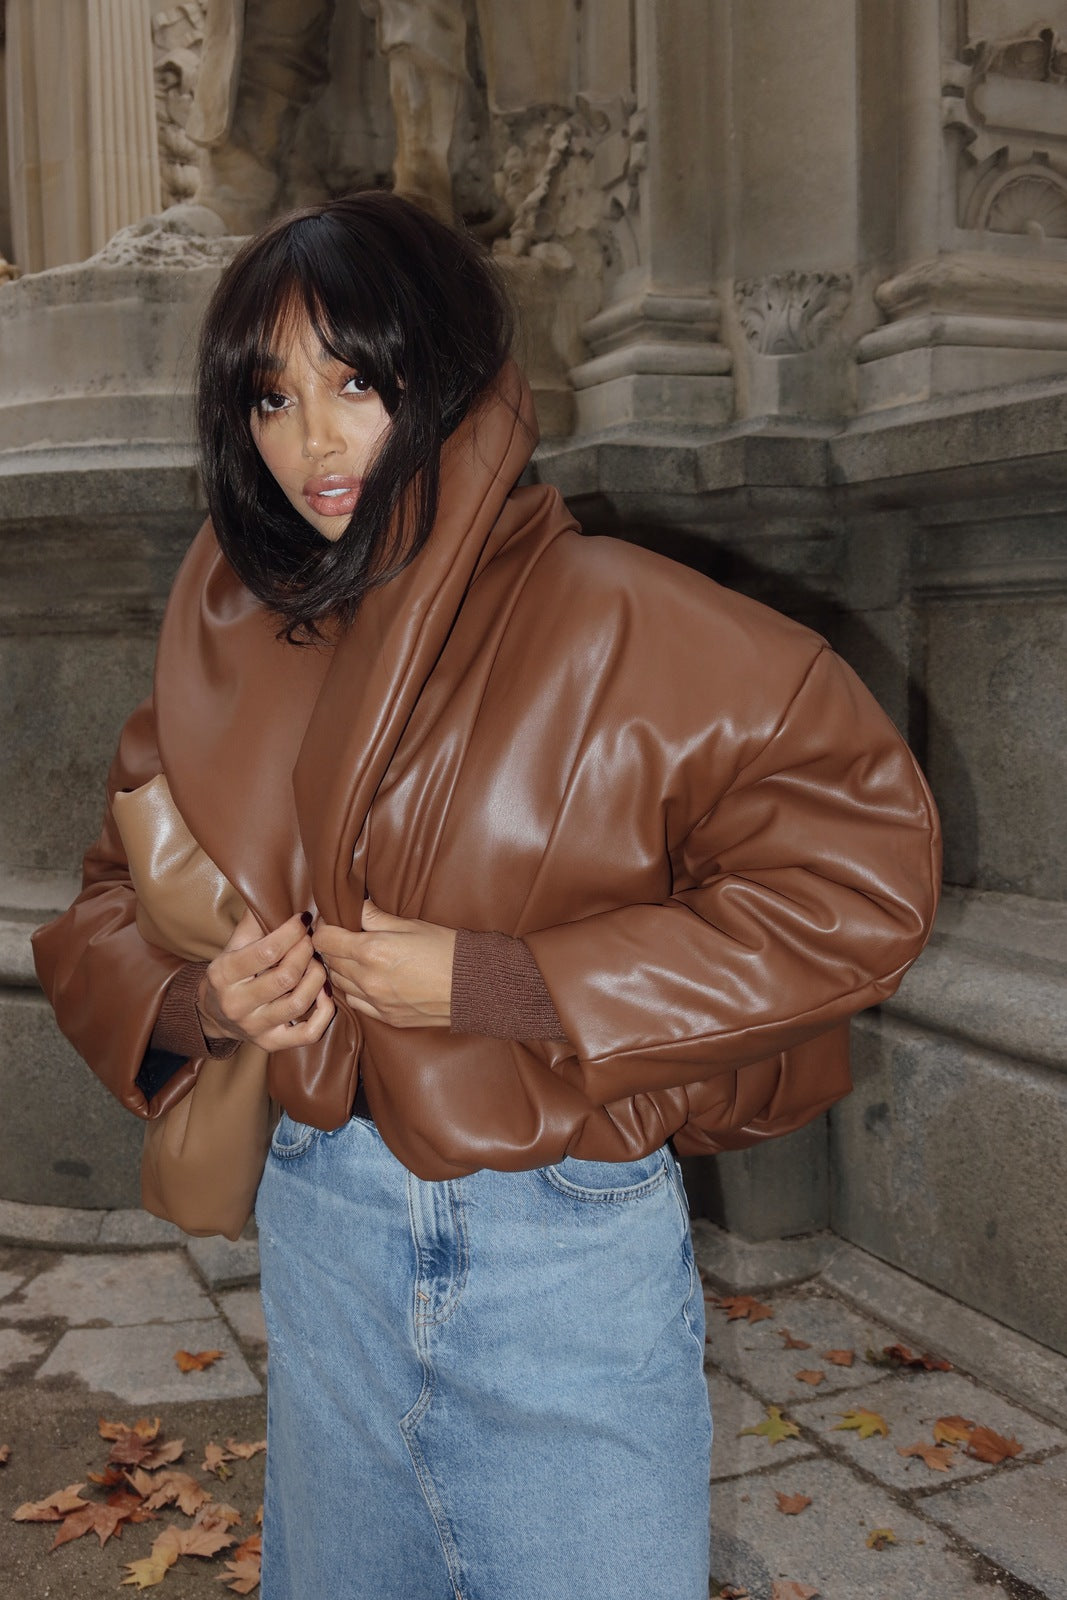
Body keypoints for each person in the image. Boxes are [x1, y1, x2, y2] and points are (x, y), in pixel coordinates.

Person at [33, 191, 940, 1600]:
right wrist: (203, 1000)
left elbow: (856, 883)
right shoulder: (227, 644)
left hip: (557, 1245)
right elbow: (107, 899)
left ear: (445, 377)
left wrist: (501, 982)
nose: (311, 440)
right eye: (268, 397)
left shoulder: (621, 621)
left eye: (354, 380)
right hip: (318, 1230)